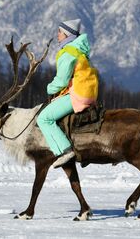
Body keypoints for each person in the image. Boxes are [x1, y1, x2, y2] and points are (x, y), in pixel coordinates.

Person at [37, 19, 99, 168]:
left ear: (66, 35)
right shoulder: (79, 50)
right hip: (89, 92)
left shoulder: (68, 52)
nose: (57, 34)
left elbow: (62, 80)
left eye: (59, 32)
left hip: (78, 93)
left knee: (44, 118)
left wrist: (49, 88)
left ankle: (65, 151)